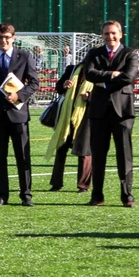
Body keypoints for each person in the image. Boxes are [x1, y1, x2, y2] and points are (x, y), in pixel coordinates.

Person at [0, 23, 39, 206]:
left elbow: (35, 82)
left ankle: (26, 195)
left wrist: (19, 95)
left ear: (13, 38)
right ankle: (2, 195)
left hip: (18, 114)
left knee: (23, 156)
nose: (3, 40)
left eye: (6, 37)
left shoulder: (24, 56)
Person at [83, 20, 139, 207]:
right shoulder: (94, 53)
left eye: (113, 33)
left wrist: (104, 81)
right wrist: (112, 75)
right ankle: (97, 195)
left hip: (123, 111)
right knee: (98, 156)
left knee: (124, 155)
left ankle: (127, 195)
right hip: (99, 111)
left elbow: (129, 76)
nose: (110, 37)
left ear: (121, 34)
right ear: (102, 35)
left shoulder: (130, 53)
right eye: (106, 33)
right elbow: (89, 74)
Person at [46, 62, 93, 193]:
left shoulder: (99, 73)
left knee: (84, 152)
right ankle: (56, 183)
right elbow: (59, 87)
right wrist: (63, 85)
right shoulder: (72, 69)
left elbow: (104, 94)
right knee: (61, 148)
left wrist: (90, 97)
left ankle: (83, 186)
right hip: (66, 116)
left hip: (86, 118)